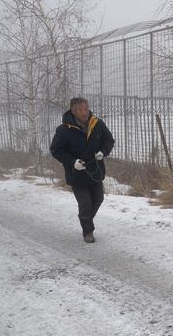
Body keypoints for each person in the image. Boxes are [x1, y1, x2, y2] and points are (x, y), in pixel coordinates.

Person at [50, 97, 115, 243]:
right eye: (81, 110)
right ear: (73, 111)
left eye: (86, 108)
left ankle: (85, 218)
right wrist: (73, 162)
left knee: (98, 199)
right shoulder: (64, 130)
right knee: (85, 204)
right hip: (77, 174)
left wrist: (103, 152)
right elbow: (55, 150)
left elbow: (109, 140)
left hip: (95, 171)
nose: (85, 112)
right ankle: (88, 231)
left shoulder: (97, 124)